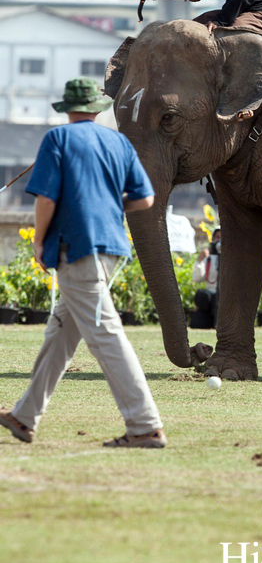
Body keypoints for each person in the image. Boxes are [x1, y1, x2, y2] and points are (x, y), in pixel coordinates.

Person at [0, 78, 167, 449]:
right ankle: (24, 417)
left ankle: (145, 425)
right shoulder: (118, 142)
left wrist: (40, 241)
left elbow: (45, 199)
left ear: (67, 109)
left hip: (77, 248)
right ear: (96, 107)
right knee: (59, 335)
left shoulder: (58, 139)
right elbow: (145, 199)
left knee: (106, 336)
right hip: (109, 248)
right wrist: (107, 204)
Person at [190, 228, 221, 330]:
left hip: (226, 299)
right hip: (210, 298)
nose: (220, 241)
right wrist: (200, 259)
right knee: (202, 296)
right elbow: (196, 278)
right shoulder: (209, 258)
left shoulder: (234, 259)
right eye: (217, 237)